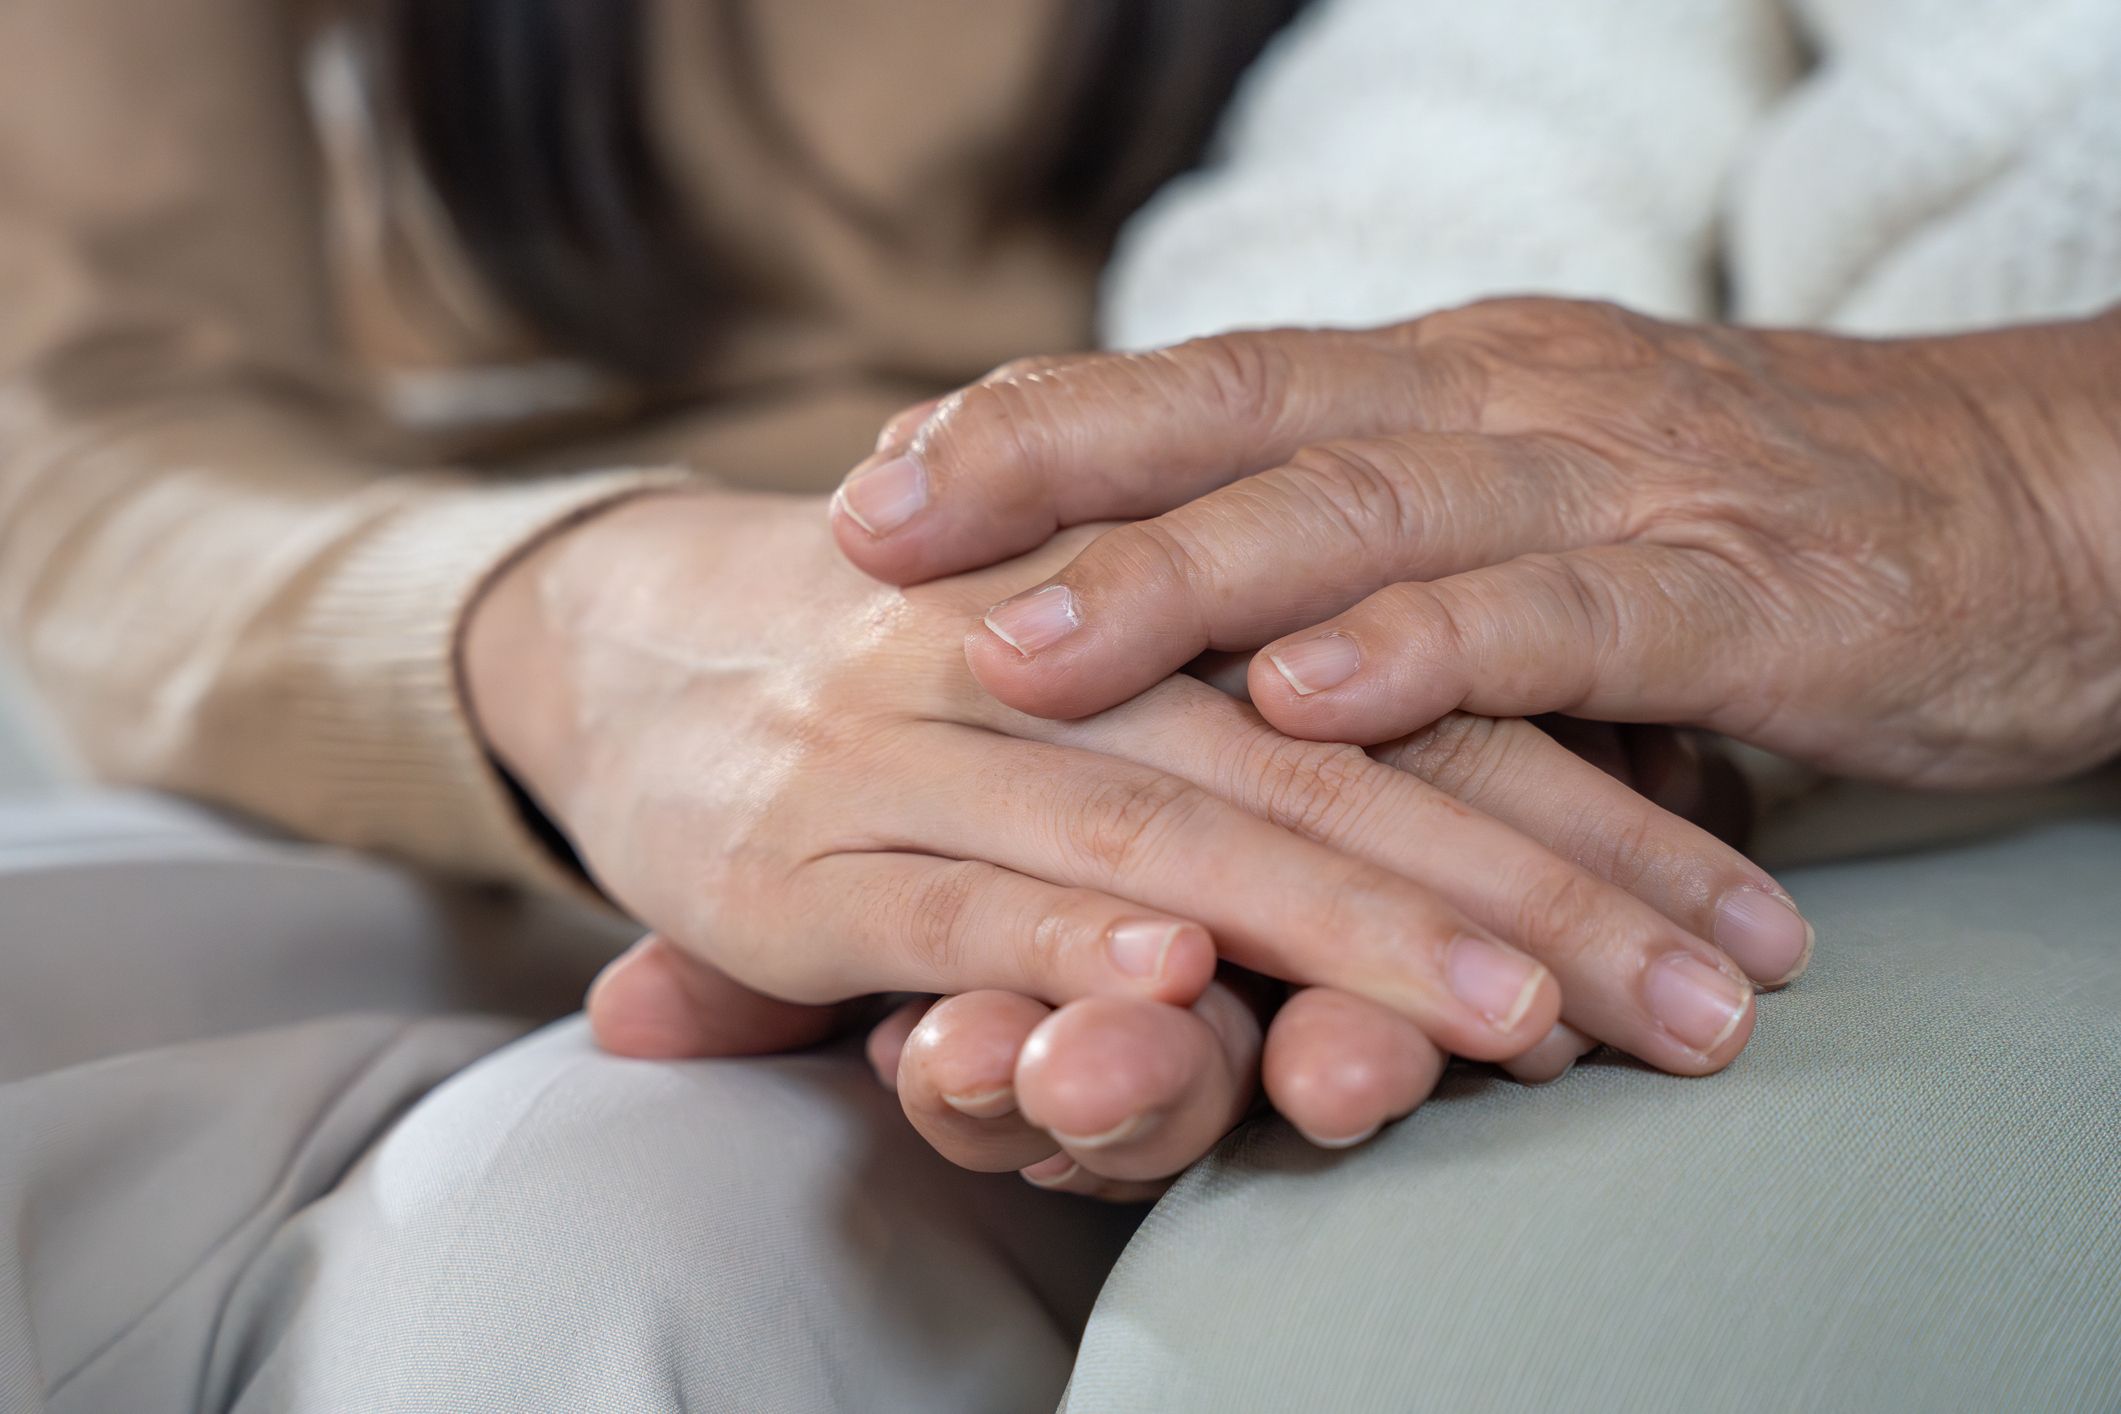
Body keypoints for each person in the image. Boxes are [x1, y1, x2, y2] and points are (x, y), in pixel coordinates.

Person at [1, 5, 2116, 1414]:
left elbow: (1499, 170)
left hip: (1193, 700)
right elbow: (86, 428)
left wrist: (1403, 636)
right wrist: (569, 632)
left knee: (606, 1253)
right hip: (484, 679)